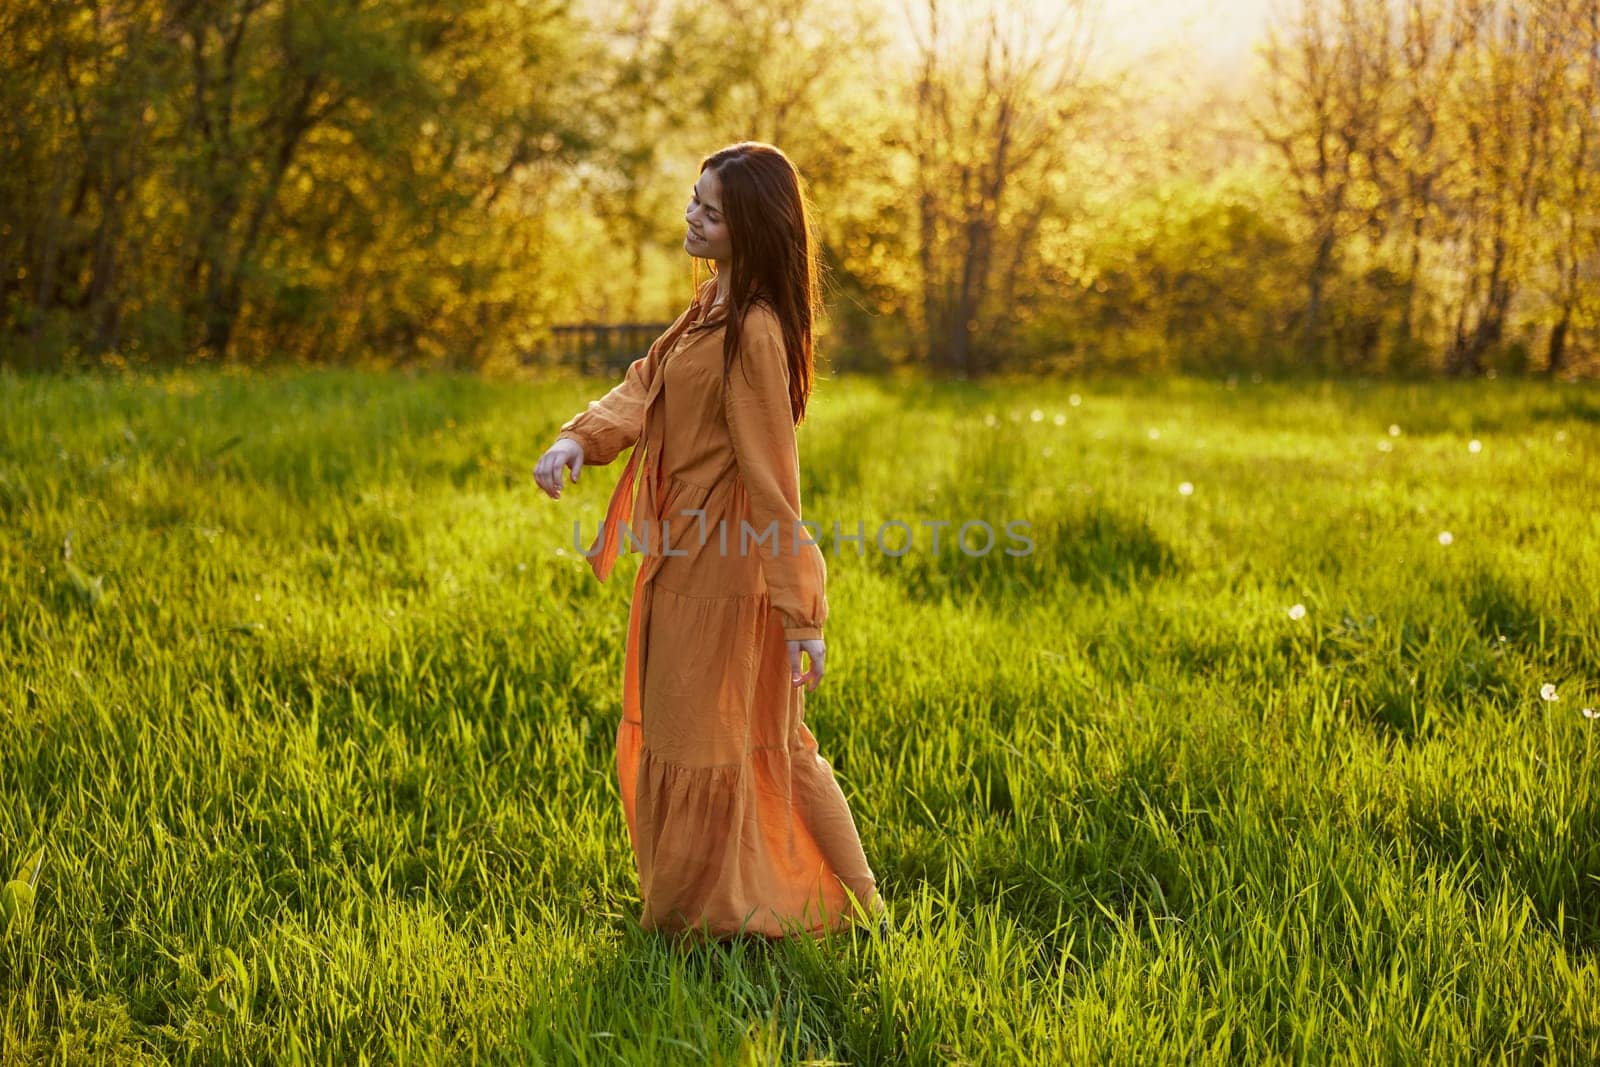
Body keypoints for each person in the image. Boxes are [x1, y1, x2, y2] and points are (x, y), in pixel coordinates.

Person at [533, 142, 888, 946]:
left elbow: (773, 485)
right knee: (693, 732)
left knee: (734, 740)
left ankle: (755, 915)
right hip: (680, 555)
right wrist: (577, 442)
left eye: (710, 210)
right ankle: (708, 910)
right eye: (693, 199)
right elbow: (644, 380)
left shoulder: (754, 331)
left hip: (727, 569)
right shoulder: (710, 304)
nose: (690, 217)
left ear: (751, 228)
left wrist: (803, 614)